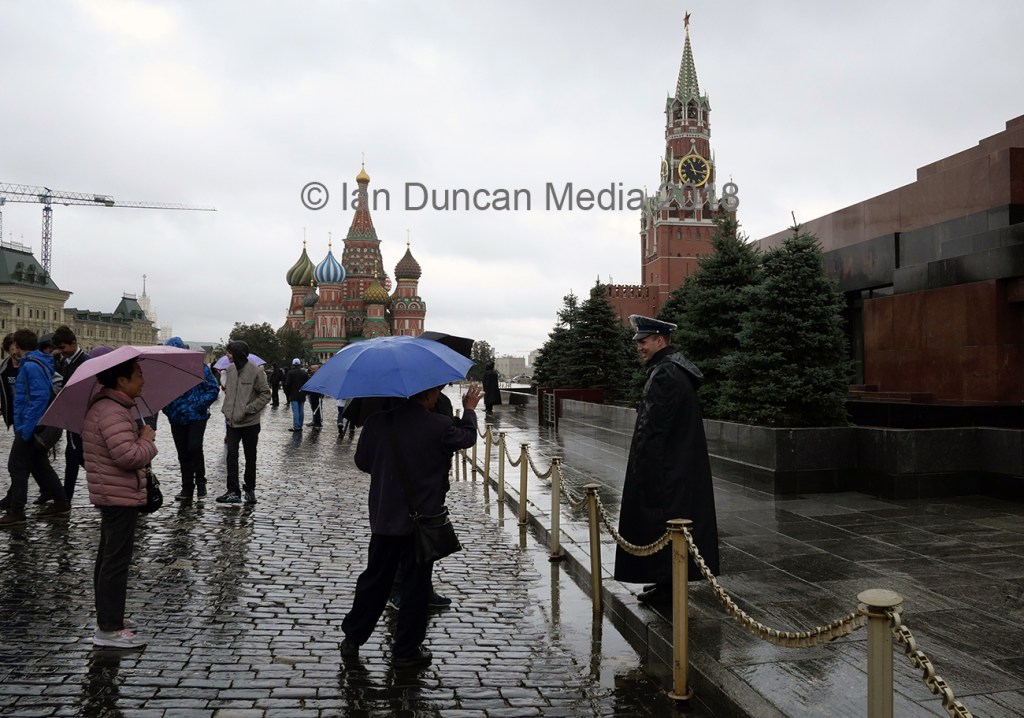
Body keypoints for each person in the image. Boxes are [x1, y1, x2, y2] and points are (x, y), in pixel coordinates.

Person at [340, 384, 483, 669]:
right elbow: (467, 438)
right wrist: (469, 410)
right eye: (436, 393)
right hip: (422, 521)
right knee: (416, 586)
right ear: (428, 395)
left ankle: (353, 638)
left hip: (385, 517)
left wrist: (387, 466)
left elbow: (362, 462)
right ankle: (406, 650)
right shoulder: (439, 425)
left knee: (375, 581)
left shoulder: (376, 422)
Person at [613, 315, 720, 605]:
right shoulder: (670, 369)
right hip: (676, 466)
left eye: (644, 341)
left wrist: (642, 468)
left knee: (662, 523)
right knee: (665, 526)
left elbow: (653, 428)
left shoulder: (665, 374)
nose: (639, 347)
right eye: (638, 342)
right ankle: (665, 583)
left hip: (666, 469)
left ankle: (669, 587)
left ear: (660, 340)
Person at [82, 357, 157, 648]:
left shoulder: (112, 408)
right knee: (115, 562)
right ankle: (109, 628)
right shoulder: (112, 411)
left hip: (115, 492)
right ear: (121, 381)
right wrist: (147, 440)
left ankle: (110, 618)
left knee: (109, 558)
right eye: (138, 375)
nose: (143, 380)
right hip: (118, 494)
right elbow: (127, 456)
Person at [0, 329, 71, 528]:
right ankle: (61, 502)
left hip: (30, 425)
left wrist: (25, 428)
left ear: (17, 344)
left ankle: (17, 511)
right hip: (32, 424)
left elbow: (38, 398)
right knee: (40, 464)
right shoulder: (35, 362)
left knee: (16, 466)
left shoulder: (30, 366)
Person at [161, 337, 220, 501]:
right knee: (182, 453)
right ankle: (187, 487)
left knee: (194, 447)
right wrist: (168, 409)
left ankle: (201, 482)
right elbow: (161, 393)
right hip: (176, 417)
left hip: (197, 416)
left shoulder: (198, 367)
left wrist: (198, 405)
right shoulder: (165, 371)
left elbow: (213, 388)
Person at [217, 340, 271, 505]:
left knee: (250, 456)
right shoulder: (231, 370)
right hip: (232, 422)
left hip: (250, 423)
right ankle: (233, 490)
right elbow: (230, 394)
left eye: (230, 352)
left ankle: (250, 489)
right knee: (231, 455)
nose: (228, 355)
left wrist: (249, 409)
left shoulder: (256, 372)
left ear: (238, 353)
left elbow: (265, 394)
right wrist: (227, 409)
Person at [51, 325, 90, 502]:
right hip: (72, 419)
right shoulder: (67, 361)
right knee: (71, 460)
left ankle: (111, 485)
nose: (60, 351)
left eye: (63, 347)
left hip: (81, 421)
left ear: (73, 344)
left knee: (80, 458)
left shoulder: (85, 363)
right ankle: (65, 499)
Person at [283, 358, 308, 432]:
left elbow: (287, 385)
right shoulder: (304, 373)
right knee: (301, 411)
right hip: (302, 394)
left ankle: (296, 426)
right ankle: (300, 425)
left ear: (293, 364)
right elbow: (307, 384)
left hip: (293, 394)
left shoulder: (290, 373)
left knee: (296, 411)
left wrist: (287, 394)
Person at [306, 364, 323, 428]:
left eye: (313, 369)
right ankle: (315, 421)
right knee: (313, 408)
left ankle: (318, 422)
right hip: (312, 394)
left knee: (317, 408)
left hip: (317, 394)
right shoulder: (311, 375)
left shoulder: (320, 376)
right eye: (311, 369)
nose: (312, 370)